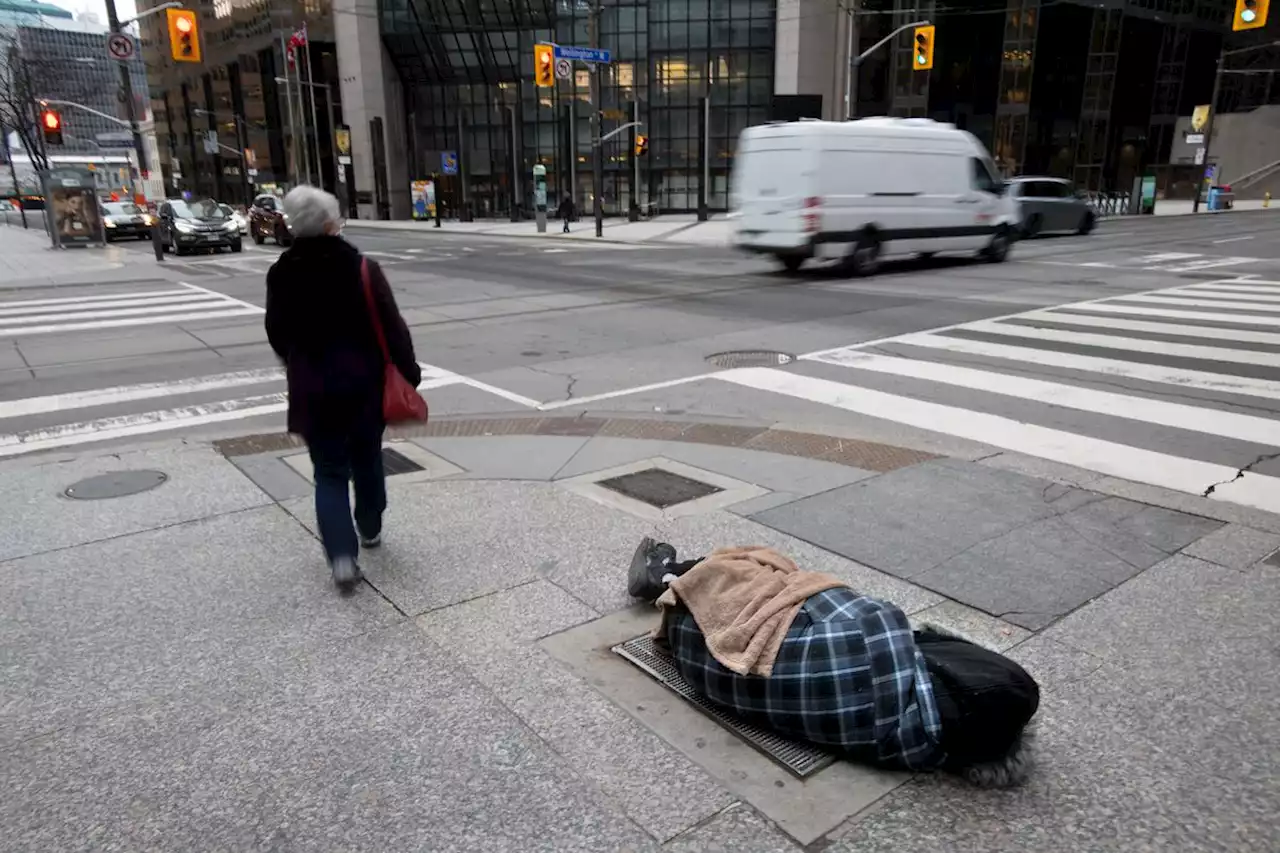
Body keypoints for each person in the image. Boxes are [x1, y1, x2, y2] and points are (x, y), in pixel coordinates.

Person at [629, 538, 1040, 787]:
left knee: (766, 570)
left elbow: (844, 609)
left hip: (702, 633)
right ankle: (672, 583)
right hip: (697, 659)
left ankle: (669, 575)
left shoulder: (876, 639)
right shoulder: (914, 747)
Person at [265, 186, 421, 589]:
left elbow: (277, 333)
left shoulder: (282, 272)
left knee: (329, 472)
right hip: (362, 385)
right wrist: (409, 371)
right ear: (332, 223)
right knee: (368, 458)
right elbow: (392, 327)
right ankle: (369, 527)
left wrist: (298, 362)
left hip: (313, 389)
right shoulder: (362, 268)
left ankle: (341, 557)